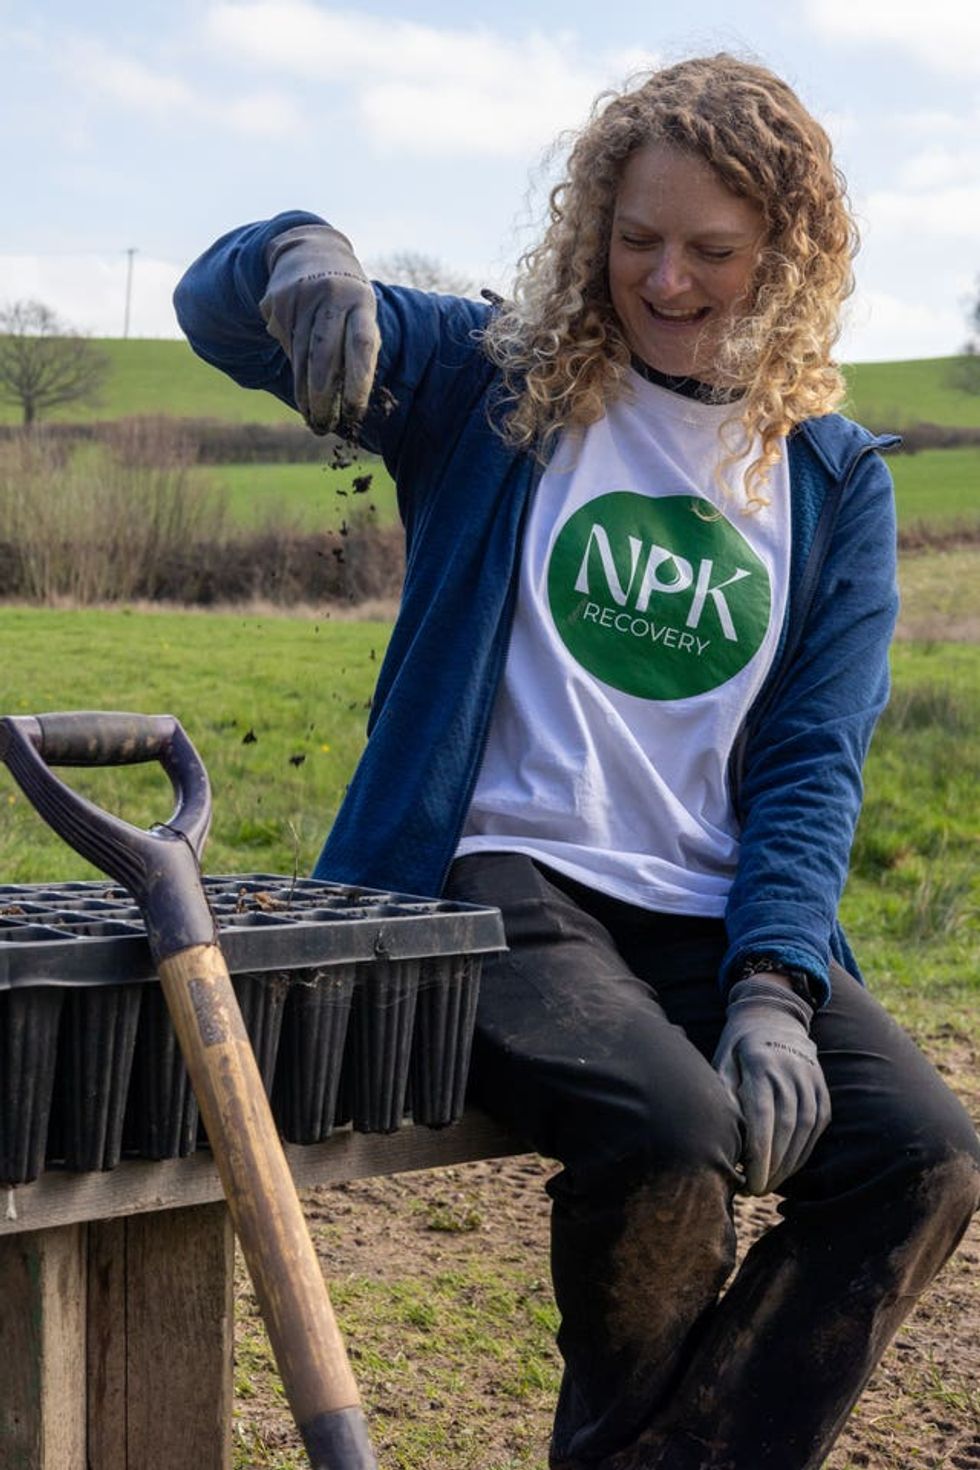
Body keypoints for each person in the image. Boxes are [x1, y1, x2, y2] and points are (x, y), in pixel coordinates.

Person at [174, 54, 980, 1470]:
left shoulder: (833, 480)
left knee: (923, 1154)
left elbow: (809, 763)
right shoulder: (499, 380)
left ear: (786, 258)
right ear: (591, 228)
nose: (665, 280)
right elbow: (213, 307)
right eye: (635, 239)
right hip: (498, 887)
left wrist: (777, 987)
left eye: (712, 252)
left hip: (710, 913)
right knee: (672, 1135)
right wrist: (301, 257)